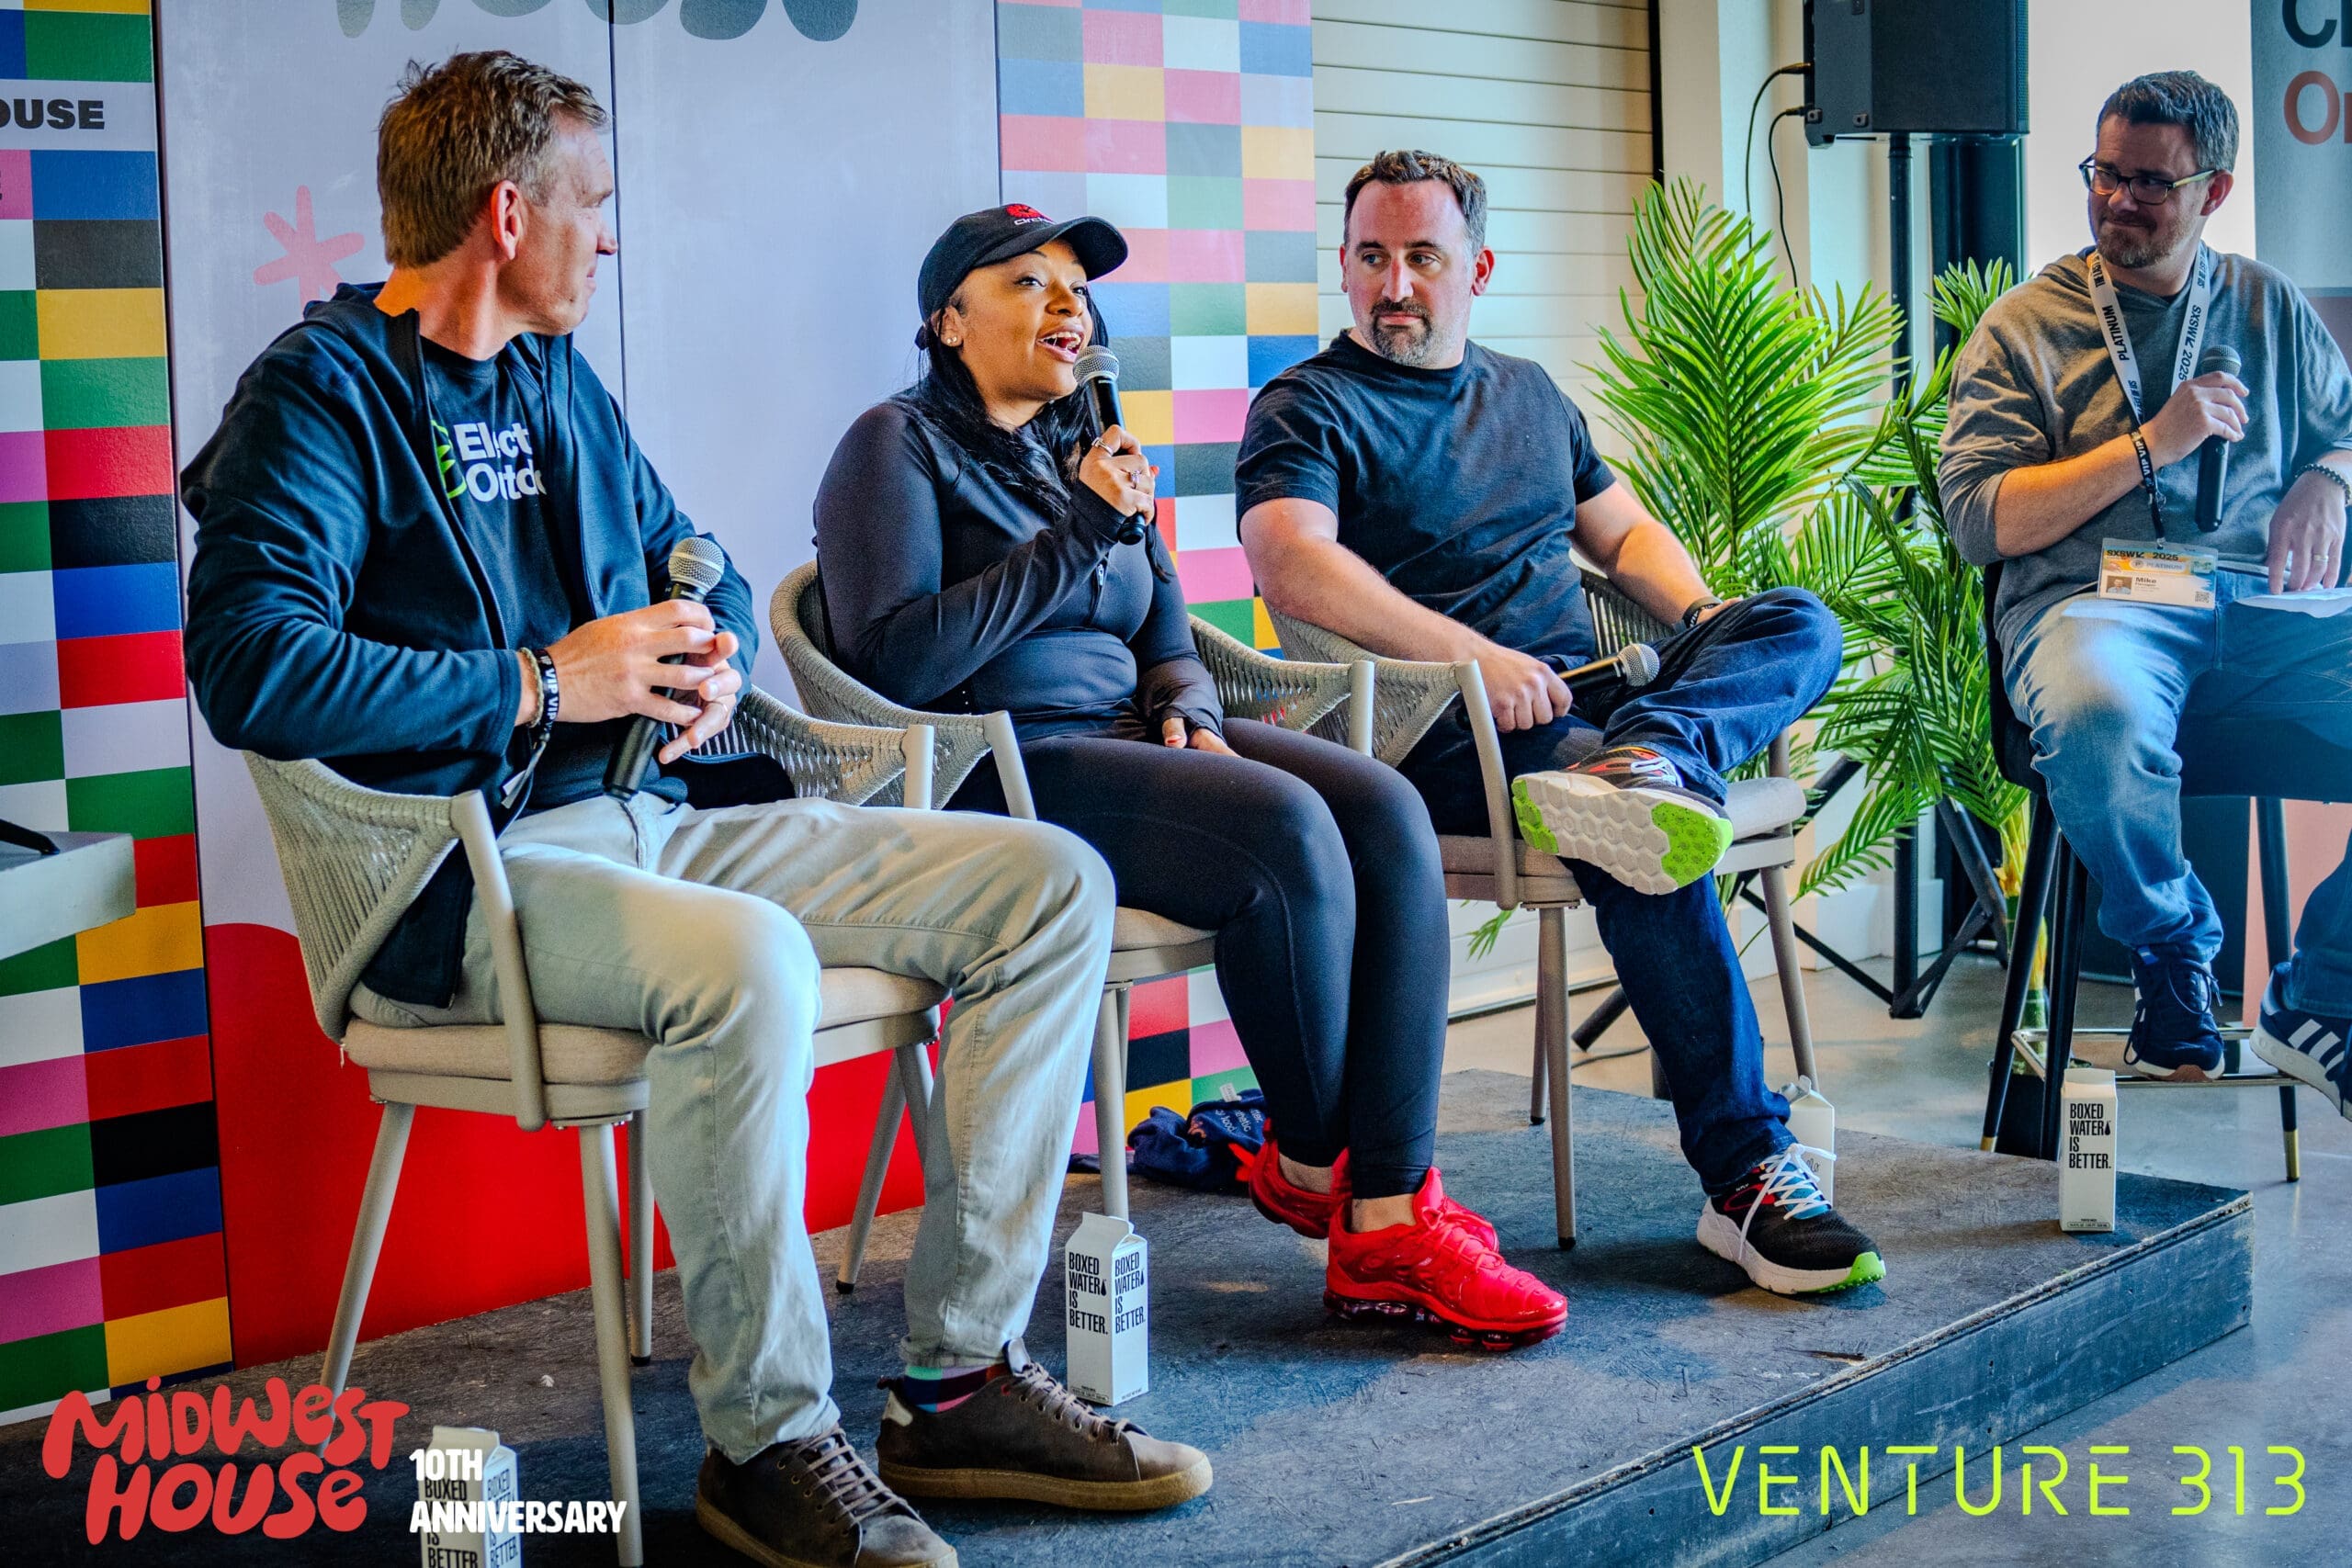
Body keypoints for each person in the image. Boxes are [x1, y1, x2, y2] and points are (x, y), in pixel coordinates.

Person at [181, 53, 1209, 1568]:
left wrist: (711, 651)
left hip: (653, 817)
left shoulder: (558, 382)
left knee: (1047, 880)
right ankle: (769, 1441)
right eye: (594, 205)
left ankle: (963, 1378)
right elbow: (252, 664)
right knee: (752, 963)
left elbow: (690, 555)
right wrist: (540, 682)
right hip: (457, 876)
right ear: (506, 210)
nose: (610, 237)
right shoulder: (322, 395)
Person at [813, 203, 1567, 1350]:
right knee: (1285, 831)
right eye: (1027, 283)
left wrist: (1189, 710)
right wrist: (1077, 529)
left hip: (1126, 734)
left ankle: (1387, 1196)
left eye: (1076, 285)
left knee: (1382, 807)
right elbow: (898, 659)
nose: (1067, 305)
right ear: (947, 320)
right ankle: (1338, 1189)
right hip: (998, 768)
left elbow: (1167, 627)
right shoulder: (894, 444)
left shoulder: (1086, 450)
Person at [1238, 150, 1884, 1299]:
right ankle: (1746, 1174)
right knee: (1632, 835)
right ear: (1343, 267)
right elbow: (1291, 563)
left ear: (1474, 269)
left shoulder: (1529, 394)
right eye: (1372, 258)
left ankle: (1660, 754)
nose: (1395, 285)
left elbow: (1624, 538)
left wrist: (1699, 624)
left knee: (1796, 621)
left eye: (1422, 259)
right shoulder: (1308, 406)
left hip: (1599, 704)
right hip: (1441, 731)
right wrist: (1472, 657)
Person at [1940, 71, 2352, 1104]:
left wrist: (2327, 478)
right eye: (2104, 175)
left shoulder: (2264, 303)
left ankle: (2320, 993)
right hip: (2096, 609)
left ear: (2212, 192)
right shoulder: (2022, 327)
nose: (2118, 200)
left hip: (2257, 615)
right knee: (2095, 711)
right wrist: (2146, 445)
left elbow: (2347, 426)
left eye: (2150, 184)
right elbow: (1978, 517)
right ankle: (2175, 953)